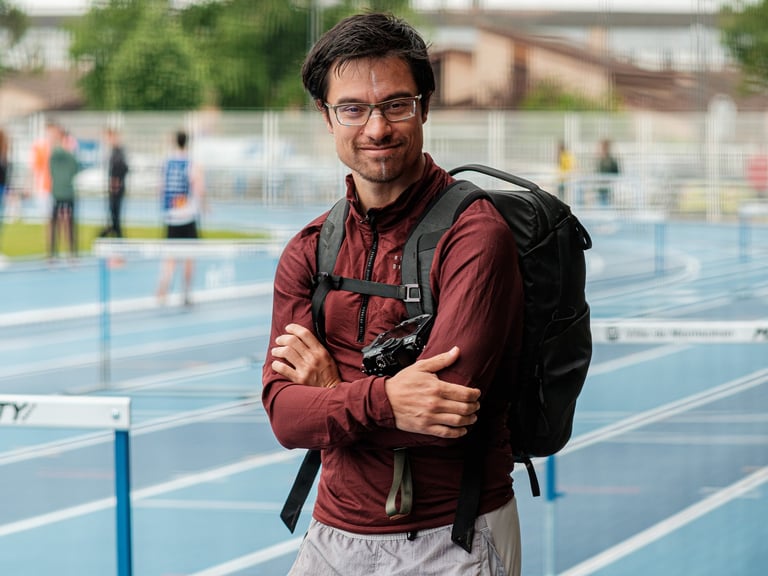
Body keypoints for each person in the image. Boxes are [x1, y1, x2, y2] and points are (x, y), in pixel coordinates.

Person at [262, 13, 524, 576]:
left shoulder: (475, 236)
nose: (376, 128)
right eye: (353, 109)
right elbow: (284, 416)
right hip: (331, 533)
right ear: (326, 117)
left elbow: (442, 416)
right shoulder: (310, 248)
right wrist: (385, 400)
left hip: (453, 537)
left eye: (396, 105)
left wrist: (330, 390)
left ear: (425, 107)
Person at [156, 130, 204, 306]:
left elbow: (160, 188)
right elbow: (198, 186)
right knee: (189, 256)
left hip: (171, 217)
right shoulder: (192, 162)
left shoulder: (166, 162)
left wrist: (165, 208)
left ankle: (163, 291)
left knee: (170, 256)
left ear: (174, 142)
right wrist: (203, 205)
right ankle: (186, 293)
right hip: (188, 216)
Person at [48, 123, 81, 262]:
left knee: (65, 224)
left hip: (64, 193)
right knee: (60, 224)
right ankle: (59, 253)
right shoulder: (60, 154)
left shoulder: (61, 155)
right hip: (61, 192)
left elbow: (75, 169)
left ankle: (62, 253)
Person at [98, 127, 129, 238]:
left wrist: (116, 181)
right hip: (114, 187)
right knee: (113, 215)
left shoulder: (118, 151)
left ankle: (115, 236)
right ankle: (113, 235)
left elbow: (124, 168)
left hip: (116, 188)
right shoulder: (115, 151)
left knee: (115, 215)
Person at [596, 138, 619, 206]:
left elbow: (616, 173)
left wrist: (609, 180)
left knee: (606, 204)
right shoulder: (600, 160)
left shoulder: (611, 161)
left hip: (608, 189)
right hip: (600, 189)